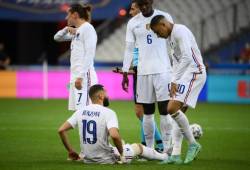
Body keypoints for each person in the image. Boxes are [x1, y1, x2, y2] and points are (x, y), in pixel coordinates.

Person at [58, 84, 168, 164]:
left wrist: (71, 151)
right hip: (105, 159)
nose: (107, 96)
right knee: (138, 147)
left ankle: (123, 149)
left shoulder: (80, 111)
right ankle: (165, 157)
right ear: (101, 96)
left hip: (87, 158)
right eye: (106, 94)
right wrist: (122, 155)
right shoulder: (108, 112)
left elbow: (61, 130)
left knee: (122, 143)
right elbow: (115, 135)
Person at [150, 15, 207, 164]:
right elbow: (176, 61)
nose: (157, 35)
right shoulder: (169, 39)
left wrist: (175, 80)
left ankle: (193, 144)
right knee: (177, 115)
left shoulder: (180, 31)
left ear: (163, 24)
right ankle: (175, 155)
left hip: (195, 72)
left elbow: (187, 57)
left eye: (157, 31)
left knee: (171, 108)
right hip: (185, 75)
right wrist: (172, 82)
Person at [122, 0, 173, 153]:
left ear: (151, 2)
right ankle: (149, 151)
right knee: (148, 113)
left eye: (146, 4)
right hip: (143, 73)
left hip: (163, 71)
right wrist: (125, 71)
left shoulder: (164, 16)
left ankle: (167, 149)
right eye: (140, 5)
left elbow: (172, 42)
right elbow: (129, 48)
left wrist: (175, 68)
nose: (143, 7)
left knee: (164, 111)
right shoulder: (133, 23)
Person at [113, 0, 164, 152]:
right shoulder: (136, 31)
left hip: (146, 73)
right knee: (142, 112)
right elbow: (135, 58)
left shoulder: (145, 30)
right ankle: (151, 143)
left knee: (142, 112)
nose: (131, 12)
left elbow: (141, 59)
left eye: (133, 9)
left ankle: (159, 143)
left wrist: (128, 72)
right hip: (139, 73)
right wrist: (126, 71)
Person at [54, 4, 98, 111]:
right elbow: (57, 38)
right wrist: (66, 29)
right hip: (75, 76)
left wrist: (80, 76)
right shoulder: (77, 31)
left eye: (68, 15)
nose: (66, 18)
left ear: (75, 15)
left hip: (83, 77)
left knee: (86, 112)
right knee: (79, 113)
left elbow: (89, 54)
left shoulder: (88, 28)